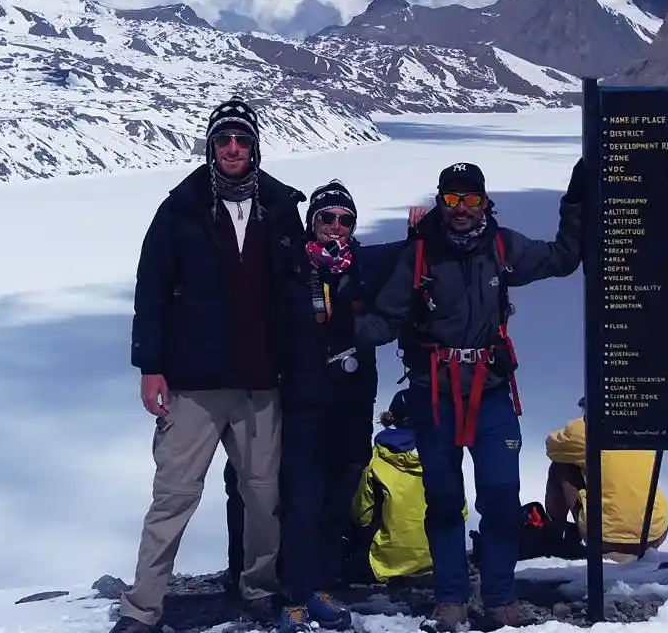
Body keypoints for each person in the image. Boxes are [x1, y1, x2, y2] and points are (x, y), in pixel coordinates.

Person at [355, 159, 585, 631]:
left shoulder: (502, 247)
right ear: (440, 201)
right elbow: (388, 317)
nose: (462, 209)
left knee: (501, 498)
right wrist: (336, 333)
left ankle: (500, 598)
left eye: (471, 199)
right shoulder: (419, 256)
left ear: (485, 202)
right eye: (453, 199)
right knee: (442, 500)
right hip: (433, 396)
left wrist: (576, 201)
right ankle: (451, 599)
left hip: (491, 395)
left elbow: (562, 258)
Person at [114, 98, 312, 633]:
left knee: (264, 498)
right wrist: (150, 366)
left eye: (241, 140)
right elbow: (151, 292)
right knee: (173, 497)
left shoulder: (278, 207)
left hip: (259, 381)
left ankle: (257, 589)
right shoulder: (180, 209)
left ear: (254, 147)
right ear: (210, 145)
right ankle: (142, 607)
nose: (231, 149)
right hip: (193, 383)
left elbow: (298, 291)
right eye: (223, 139)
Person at [224, 181, 408, 632]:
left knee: (337, 498)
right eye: (327, 218)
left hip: (352, 404)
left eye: (346, 220)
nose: (336, 228)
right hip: (302, 403)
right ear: (312, 223)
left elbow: (416, 251)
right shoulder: (289, 268)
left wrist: (424, 228)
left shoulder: (364, 265)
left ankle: (322, 586)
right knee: (301, 500)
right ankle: (293, 594)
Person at [543, 400, 668, 563]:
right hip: (654, 533)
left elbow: (551, 447)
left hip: (604, 536)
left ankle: (555, 535)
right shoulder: (642, 427)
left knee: (561, 465)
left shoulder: (583, 430)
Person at [348, 389, 453, 584]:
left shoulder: (377, 458)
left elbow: (362, 516)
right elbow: (460, 512)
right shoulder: (443, 456)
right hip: (437, 560)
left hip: (386, 565)